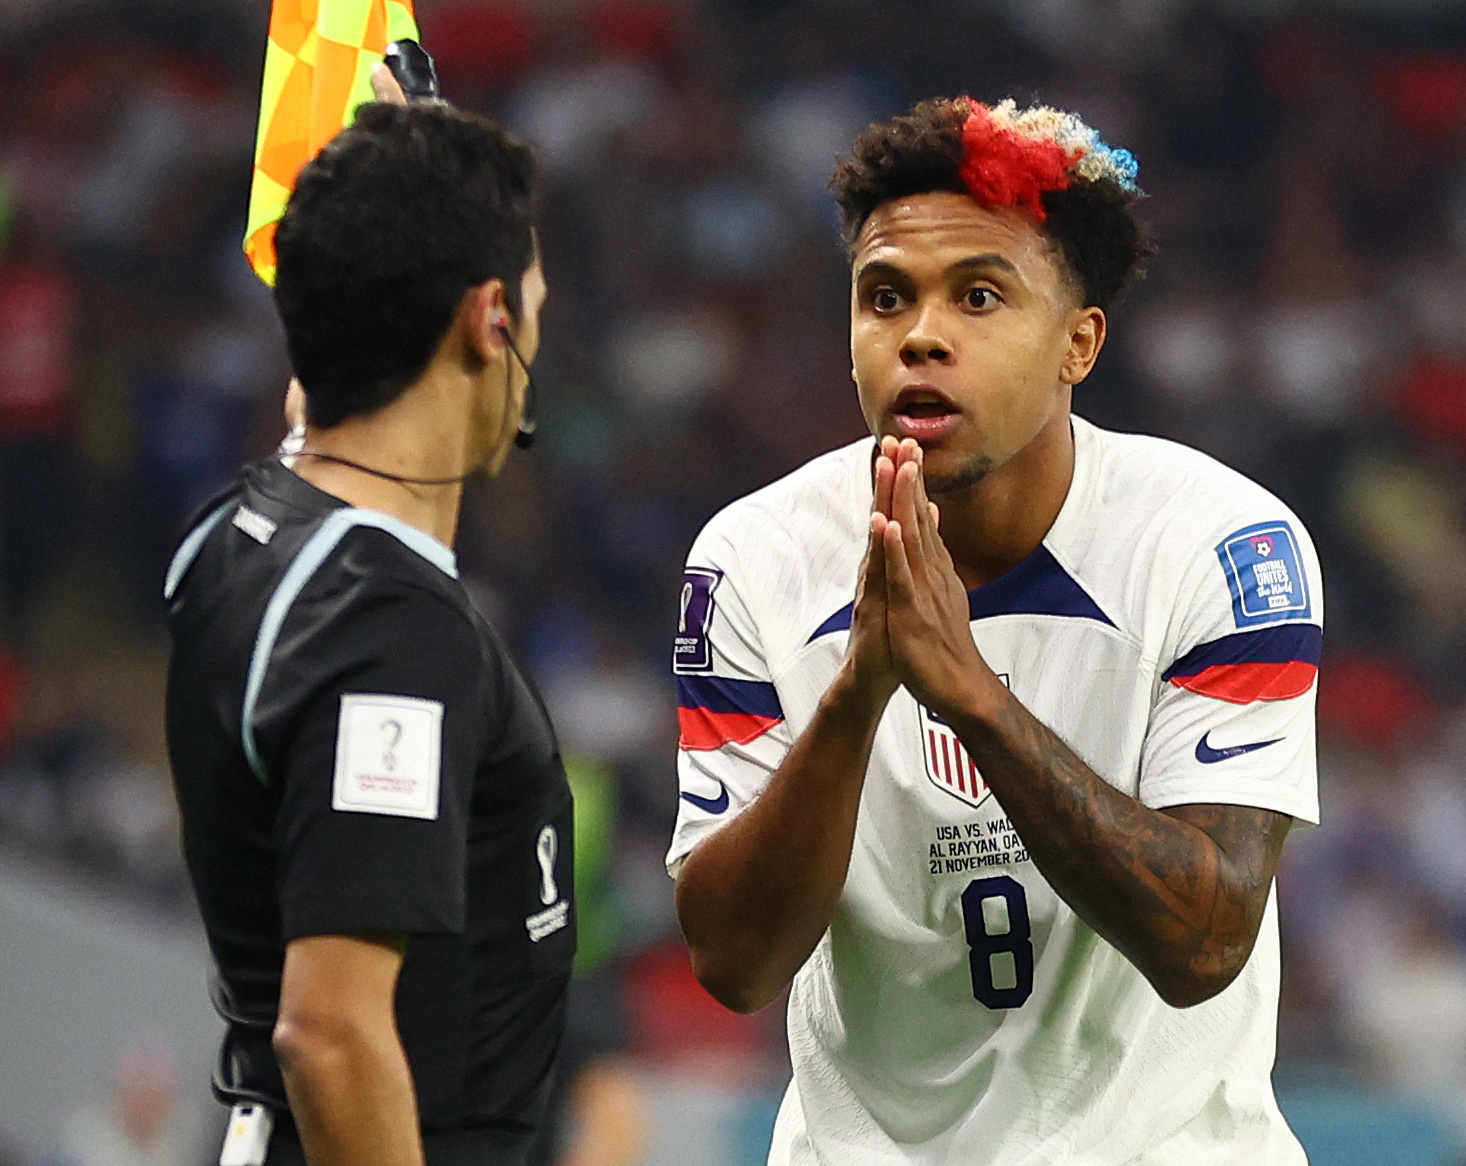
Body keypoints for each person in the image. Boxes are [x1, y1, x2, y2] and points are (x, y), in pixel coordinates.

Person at [667, 97, 1322, 1164]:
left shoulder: (1222, 545)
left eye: (978, 295)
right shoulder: (750, 560)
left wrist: (967, 689)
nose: (919, 333)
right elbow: (734, 965)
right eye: (884, 298)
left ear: (1077, 342)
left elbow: (1203, 938)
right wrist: (856, 692)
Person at [163, 92, 574, 1166]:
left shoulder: (239, 525)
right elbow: (332, 1031)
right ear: (490, 322)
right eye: (530, 304)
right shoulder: (389, 627)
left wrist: (398, 178)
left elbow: (329, 375)